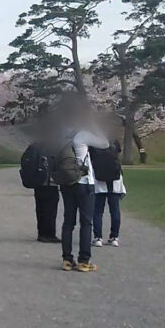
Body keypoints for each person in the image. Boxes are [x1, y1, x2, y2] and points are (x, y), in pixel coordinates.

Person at [59, 117, 109, 273]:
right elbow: (105, 143)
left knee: (68, 222)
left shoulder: (62, 134)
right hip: (84, 182)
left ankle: (67, 260)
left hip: (66, 182)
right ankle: (84, 260)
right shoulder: (82, 135)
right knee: (86, 222)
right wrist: (95, 123)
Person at [93, 140, 125, 248]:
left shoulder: (94, 141)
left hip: (99, 180)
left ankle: (98, 237)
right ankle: (114, 237)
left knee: (98, 210)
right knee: (115, 210)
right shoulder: (114, 140)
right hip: (115, 180)